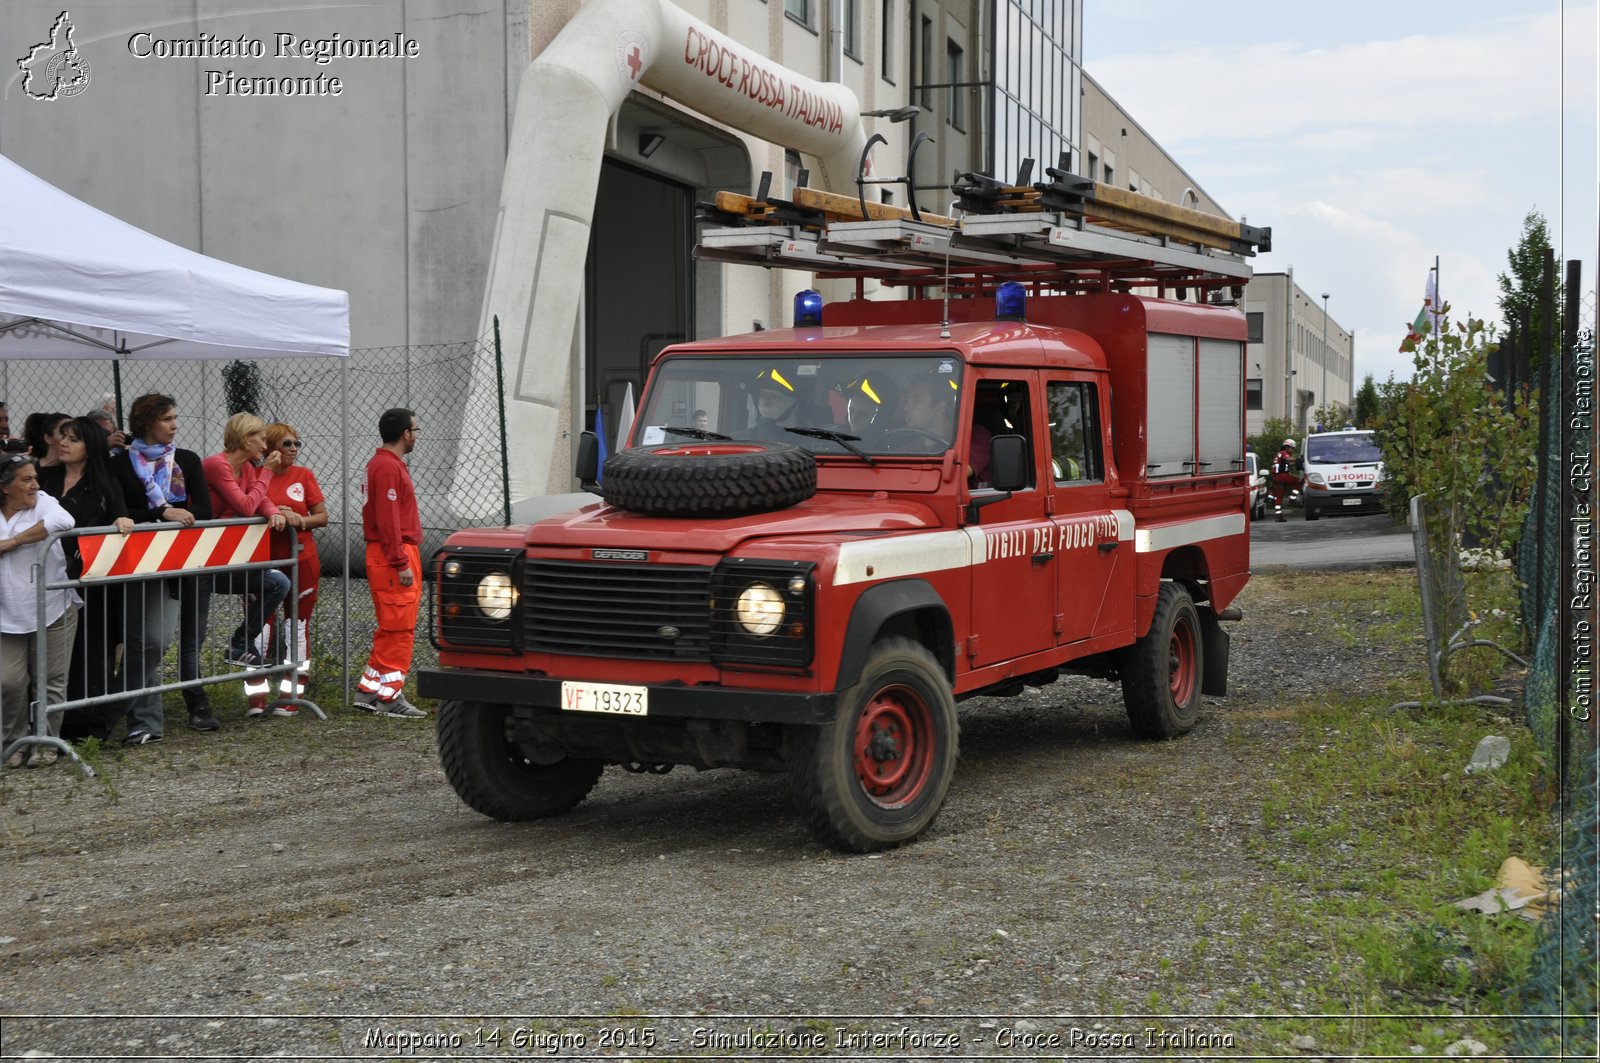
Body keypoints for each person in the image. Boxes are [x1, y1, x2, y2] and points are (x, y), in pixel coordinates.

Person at [117, 392, 214, 743]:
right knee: (137, 640)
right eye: (167, 418)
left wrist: (171, 517)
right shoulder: (120, 463)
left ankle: (120, 709)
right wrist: (161, 513)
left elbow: (203, 508)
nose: (175, 425)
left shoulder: (187, 460)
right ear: (146, 423)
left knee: (156, 639)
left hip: (176, 562)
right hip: (129, 563)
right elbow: (120, 510)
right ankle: (142, 720)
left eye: (175, 417)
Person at [38, 417, 137, 741]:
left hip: (90, 583)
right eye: (62, 437)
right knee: (48, 653)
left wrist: (121, 519)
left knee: (90, 651)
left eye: (73, 439)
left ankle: (86, 724)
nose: (63, 443)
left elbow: (122, 518)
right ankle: (46, 719)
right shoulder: (45, 478)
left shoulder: (105, 483)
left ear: (90, 447)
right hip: (46, 578)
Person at [201, 413, 292, 691]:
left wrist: (274, 512)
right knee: (195, 633)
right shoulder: (218, 465)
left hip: (230, 553)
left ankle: (241, 641)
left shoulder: (248, 468)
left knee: (278, 582)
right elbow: (244, 505)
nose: (265, 446)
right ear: (246, 438)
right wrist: (268, 471)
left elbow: (259, 497)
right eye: (262, 439)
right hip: (203, 556)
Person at [0, 454, 79, 768]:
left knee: (52, 678)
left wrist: (13, 541)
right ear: (4, 487)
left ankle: (46, 742)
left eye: (35, 477)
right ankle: (13, 743)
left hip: (52, 608)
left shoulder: (43, 502)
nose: (35, 485)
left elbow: (65, 522)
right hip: (6, 614)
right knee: (9, 681)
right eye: (26, 480)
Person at [244, 422, 327, 716]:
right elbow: (246, 506)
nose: (294, 449)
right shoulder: (254, 476)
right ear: (270, 448)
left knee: (298, 626)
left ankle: (292, 694)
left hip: (301, 560)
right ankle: (257, 698)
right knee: (259, 627)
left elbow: (321, 516)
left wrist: (299, 520)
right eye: (287, 444)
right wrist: (274, 512)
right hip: (263, 560)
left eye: (297, 444)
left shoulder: (304, 476)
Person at [353, 408, 427, 718]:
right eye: (415, 429)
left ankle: (369, 691)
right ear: (404, 434)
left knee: (391, 627)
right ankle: (390, 696)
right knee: (401, 629)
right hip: (394, 554)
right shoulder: (387, 467)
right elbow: (388, 518)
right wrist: (400, 562)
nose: (416, 435)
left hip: (390, 552)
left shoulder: (383, 464)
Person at [1269, 437, 1301, 522]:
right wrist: (1299, 459)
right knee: (1299, 481)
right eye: (1292, 448)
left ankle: (1279, 516)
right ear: (1286, 447)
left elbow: (1289, 463)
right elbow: (1288, 459)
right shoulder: (1283, 453)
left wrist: (1295, 462)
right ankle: (1292, 500)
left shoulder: (1279, 454)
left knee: (1279, 496)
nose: (1292, 450)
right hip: (1281, 476)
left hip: (1275, 477)